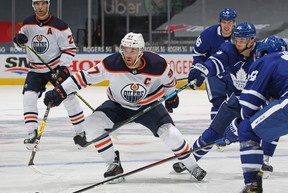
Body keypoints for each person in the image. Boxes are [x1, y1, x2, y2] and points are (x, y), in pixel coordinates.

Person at [43, 32, 207, 181]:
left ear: (141, 51)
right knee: (92, 125)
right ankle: (113, 165)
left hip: (149, 106)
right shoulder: (112, 63)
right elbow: (83, 78)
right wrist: (60, 91)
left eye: (132, 50)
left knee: (173, 136)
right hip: (118, 106)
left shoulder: (158, 65)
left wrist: (171, 96)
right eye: (125, 49)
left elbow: (169, 82)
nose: (128, 54)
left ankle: (193, 166)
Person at [172, 26, 287, 177]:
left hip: (260, 100)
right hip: (237, 99)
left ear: (251, 41)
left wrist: (238, 126)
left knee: (265, 125)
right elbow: (216, 61)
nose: (237, 43)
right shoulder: (229, 49)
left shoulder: (262, 53)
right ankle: (191, 159)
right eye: (236, 39)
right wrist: (203, 70)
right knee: (214, 131)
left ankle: (264, 160)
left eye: (241, 40)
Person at [13, 0, 86, 150]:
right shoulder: (27, 23)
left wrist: (63, 68)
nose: (40, 7)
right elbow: (20, 44)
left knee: (69, 97)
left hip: (55, 68)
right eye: (37, 4)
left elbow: (69, 49)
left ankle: (81, 133)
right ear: (33, 5)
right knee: (28, 96)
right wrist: (18, 41)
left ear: (48, 4)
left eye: (43, 4)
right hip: (35, 69)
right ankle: (32, 133)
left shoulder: (60, 25)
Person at [227, 50, 288, 193]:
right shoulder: (283, 62)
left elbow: (248, 106)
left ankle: (251, 192)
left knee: (247, 130)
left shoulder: (265, 61)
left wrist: (237, 126)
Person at [192, 8, 237, 120]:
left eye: (230, 22)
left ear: (234, 23)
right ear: (220, 22)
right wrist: (198, 70)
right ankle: (216, 134)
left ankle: (235, 131)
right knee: (218, 103)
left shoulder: (240, 36)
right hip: (214, 75)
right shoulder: (208, 35)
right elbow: (198, 55)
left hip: (234, 74)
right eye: (224, 22)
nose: (227, 26)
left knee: (238, 102)